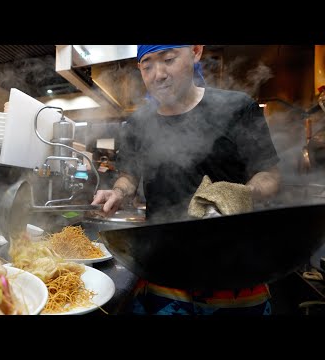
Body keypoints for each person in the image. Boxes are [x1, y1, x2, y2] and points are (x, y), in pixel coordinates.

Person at [91, 45, 281, 315]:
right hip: (164, 273)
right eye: (147, 66)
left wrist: (242, 192)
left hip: (235, 275)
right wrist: (119, 192)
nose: (158, 74)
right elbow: (129, 175)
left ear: (195, 51)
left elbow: (269, 175)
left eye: (168, 59)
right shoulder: (137, 124)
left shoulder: (237, 107)